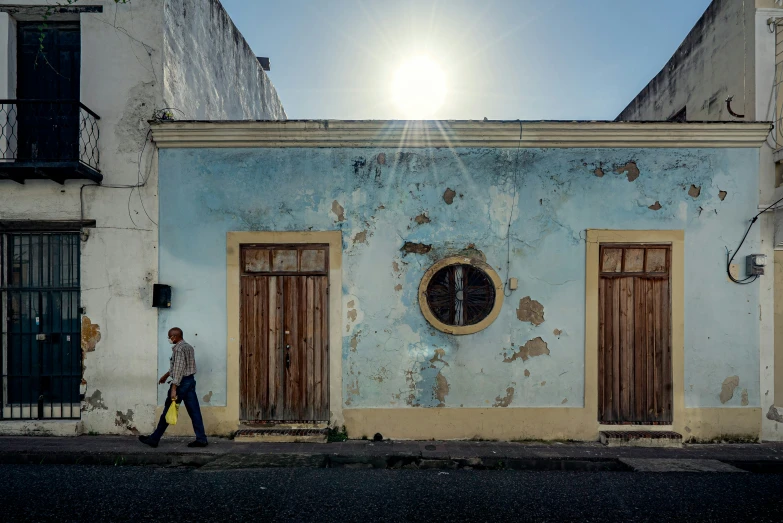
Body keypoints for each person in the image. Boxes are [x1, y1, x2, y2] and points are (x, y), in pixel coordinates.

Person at [139, 327, 208, 448]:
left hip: (181, 383)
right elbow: (179, 366)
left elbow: (179, 369)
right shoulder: (188, 347)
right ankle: (201, 438)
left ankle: (154, 439)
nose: (169, 339)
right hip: (190, 381)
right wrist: (166, 376)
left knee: (168, 410)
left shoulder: (179, 349)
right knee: (194, 411)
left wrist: (174, 388)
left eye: (170, 337)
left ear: (175, 336)